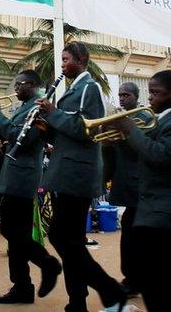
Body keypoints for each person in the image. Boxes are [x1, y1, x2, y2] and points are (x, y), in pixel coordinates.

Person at [36, 42, 126, 312]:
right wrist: (45, 125)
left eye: (66, 59)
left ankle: (110, 290)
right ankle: (78, 302)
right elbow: (66, 132)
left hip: (77, 174)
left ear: (81, 59)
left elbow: (87, 129)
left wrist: (54, 113)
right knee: (71, 241)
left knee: (62, 238)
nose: (62, 64)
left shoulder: (91, 88)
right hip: (66, 171)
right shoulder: (74, 88)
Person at [118, 70, 171, 311]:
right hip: (155, 208)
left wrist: (131, 130)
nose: (150, 97)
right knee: (158, 275)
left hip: (167, 211)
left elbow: (158, 155)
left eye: (155, 92)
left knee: (166, 276)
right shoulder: (161, 118)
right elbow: (143, 150)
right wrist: (122, 137)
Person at [0, 69, 61, 305]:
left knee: (12, 231)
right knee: (15, 234)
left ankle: (47, 264)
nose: (15, 88)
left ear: (33, 84)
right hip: (15, 176)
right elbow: (12, 136)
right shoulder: (24, 107)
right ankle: (22, 286)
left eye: (19, 84)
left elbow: (22, 139)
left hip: (22, 180)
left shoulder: (38, 107)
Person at [103, 82, 152, 298]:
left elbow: (141, 148)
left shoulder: (144, 117)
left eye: (127, 95)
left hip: (139, 184)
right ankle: (132, 278)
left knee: (135, 235)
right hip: (125, 181)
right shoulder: (119, 118)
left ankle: (135, 279)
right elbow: (110, 151)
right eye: (120, 95)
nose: (122, 99)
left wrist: (124, 129)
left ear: (136, 96)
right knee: (129, 232)